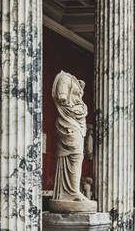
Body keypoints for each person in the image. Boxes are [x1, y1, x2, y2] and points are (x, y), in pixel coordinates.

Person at [51, 71, 89, 202]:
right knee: (76, 154)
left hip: (74, 121)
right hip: (68, 122)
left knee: (77, 155)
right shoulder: (65, 79)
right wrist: (76, 108)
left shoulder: (72, 80)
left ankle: (71, 191)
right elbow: (62, 97)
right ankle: (72, 192)